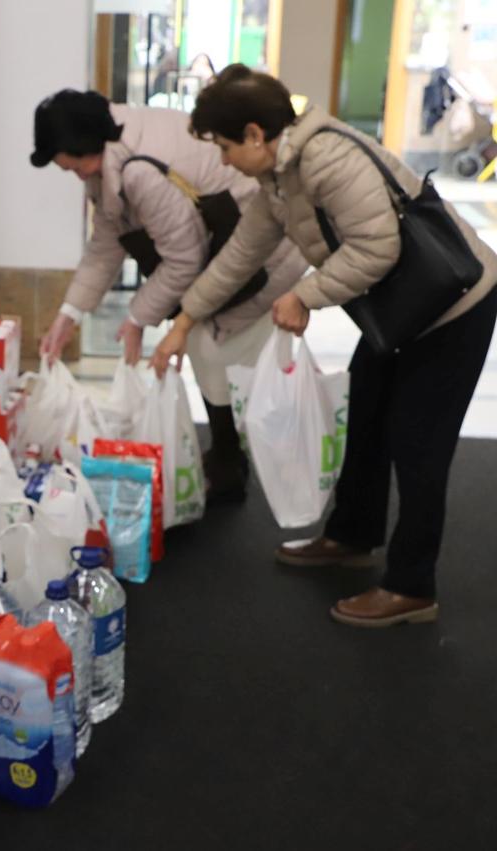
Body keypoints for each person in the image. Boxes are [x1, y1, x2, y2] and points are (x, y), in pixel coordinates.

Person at [150, 65, 497, 627]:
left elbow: (377, 248)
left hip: (454, 307)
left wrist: (304, 296)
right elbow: (240, 256)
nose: (222, 161)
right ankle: (352, 536)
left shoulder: (327, 159)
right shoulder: (278, 181)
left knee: (417, 445)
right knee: (364, 420)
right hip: (403, 311)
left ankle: (412, 588)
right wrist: (183, 322)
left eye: (224, 147)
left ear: (257, 135)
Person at [32, 89, 308, 500]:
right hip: (226, 250)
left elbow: (183, 259)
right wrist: (67, 315)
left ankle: (239, 464)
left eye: (68, 164)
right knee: (207, 347)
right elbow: (108, 240)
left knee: (213, 348)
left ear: (82, 147)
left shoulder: (137, 172)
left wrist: (138, 318)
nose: (69, 172)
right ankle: (230, 456)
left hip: (259, 255)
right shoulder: (108, 157)